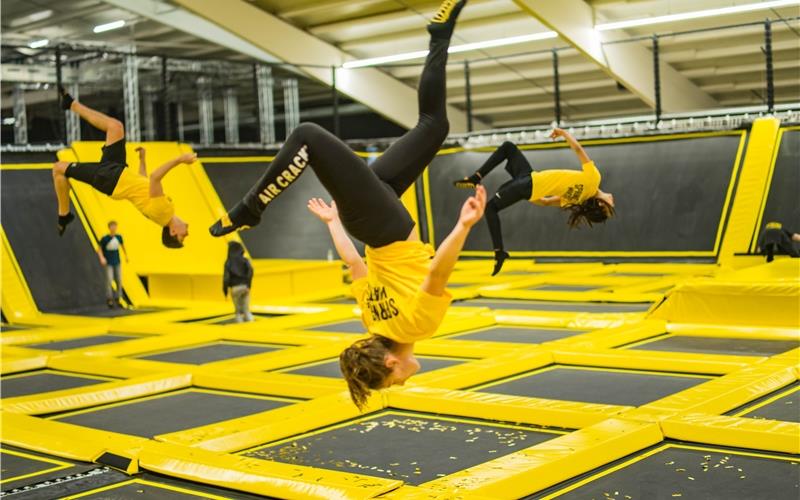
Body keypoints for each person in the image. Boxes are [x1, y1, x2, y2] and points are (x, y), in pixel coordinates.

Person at [209, 0, 481, 410]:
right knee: (434, 125)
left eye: (393, 383)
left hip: (383, 224)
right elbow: (356, 265)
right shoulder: (373, 320)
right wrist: (335, 221)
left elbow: (438, 274)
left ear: (391, 362)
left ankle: (251, 207)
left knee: (309, 136)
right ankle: (439, 36)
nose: (402, 383)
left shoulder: (418, 326)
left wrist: (463, 226)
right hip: (374, 221)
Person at [453, 128, 616, 275]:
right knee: (508, 147)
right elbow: (545, 202)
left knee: (490, 208)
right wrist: (529, 196)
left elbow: (578, 150)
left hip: (527, 184)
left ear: (601, 203)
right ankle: (476, 177)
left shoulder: (594, 179)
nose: (612, 201)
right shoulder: (575, 200)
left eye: (611, 206)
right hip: (529, 177)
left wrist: (564, 134)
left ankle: (499, 251)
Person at [51, 91, 193, 248]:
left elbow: (155, 177)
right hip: (118, 171)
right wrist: (142, 161)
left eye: (182, 237)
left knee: (58, 169)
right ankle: (71, 104)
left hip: (111, 179)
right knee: (115, 127)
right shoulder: (165, 213)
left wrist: (180, 159)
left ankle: (63, 215)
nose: (186, 234)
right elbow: (144, 185)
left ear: (173, 232)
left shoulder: (164, 213)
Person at [97, 220, 129, 308]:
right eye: (112, 226)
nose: (114, 228)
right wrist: (102, 258)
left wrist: (126, 256)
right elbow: (99, 249)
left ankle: (118, 298)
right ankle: (109, 299)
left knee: (119, 280)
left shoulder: (119, 237)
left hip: (117, 261)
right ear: (109, 227)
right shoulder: (105, 239)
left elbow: (123, 246)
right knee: (109, 280)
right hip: (109, 262)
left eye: (115, 226)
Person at [223, 241, 254, 322]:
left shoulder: (228, 262)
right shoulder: (245, 260)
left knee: (238, 311)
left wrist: (225, 291)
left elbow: (226, 277)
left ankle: (239, 321)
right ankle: (250, 322)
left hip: (235, 288)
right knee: (246, 308)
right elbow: (250, 272)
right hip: (245, 286)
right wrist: (248, 285)